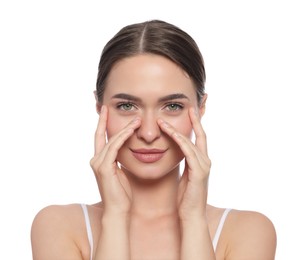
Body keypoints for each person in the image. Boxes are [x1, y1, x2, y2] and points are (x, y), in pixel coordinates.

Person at [31, 19, 277, 260]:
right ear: (99, 106)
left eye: (172, 106)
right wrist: (115, 216)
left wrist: (193, 220)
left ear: (200, 108)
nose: (149, 133)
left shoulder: (248, 232)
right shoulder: (58, 226)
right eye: (127, 106)